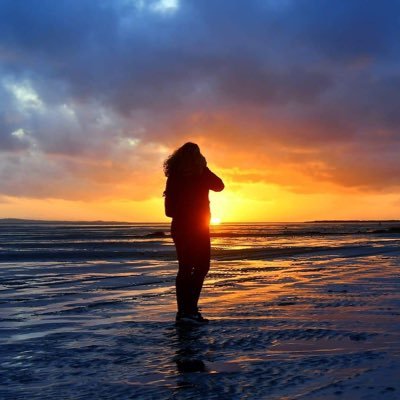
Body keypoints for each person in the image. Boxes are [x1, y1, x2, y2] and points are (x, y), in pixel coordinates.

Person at [163, 142, 224, 325]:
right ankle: (188, 311)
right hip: (196, 227)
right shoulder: (201, 174)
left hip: (182, 227)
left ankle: (185, 312)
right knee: (200, 267)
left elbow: (169, 211)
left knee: (186, 268)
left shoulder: (174, 176)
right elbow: (219, 185)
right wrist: (204, 168)